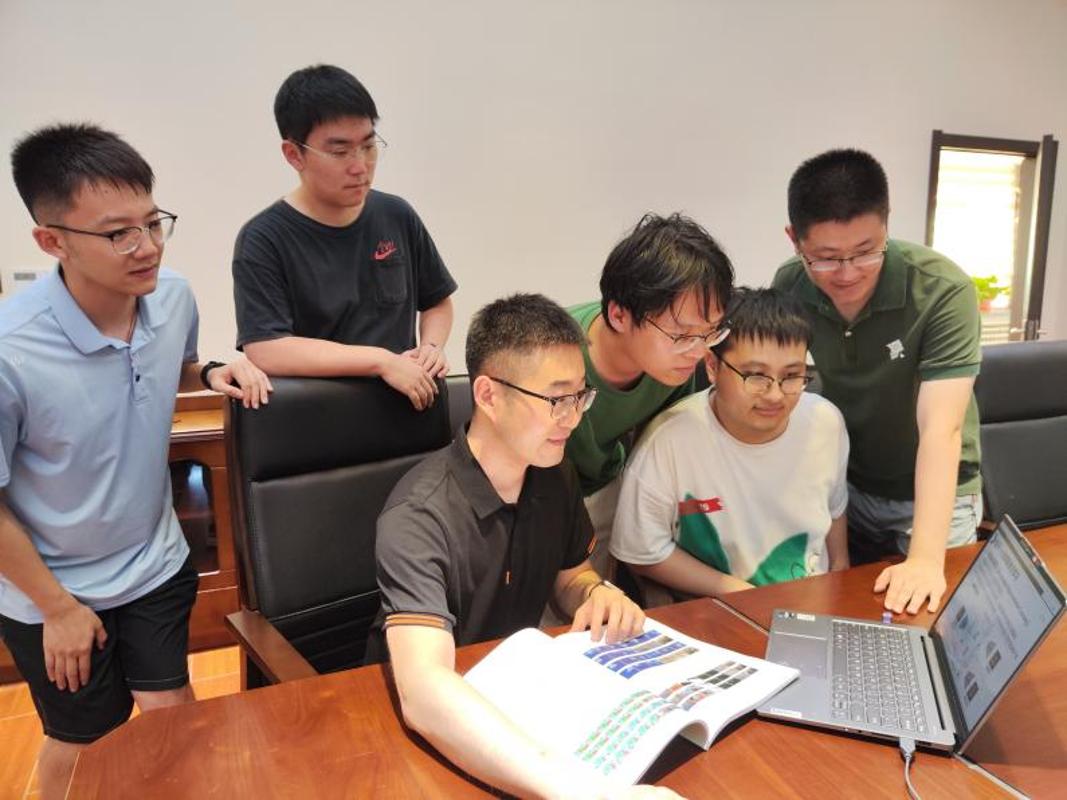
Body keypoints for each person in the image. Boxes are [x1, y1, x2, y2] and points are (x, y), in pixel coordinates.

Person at [1, 123, 271, 799]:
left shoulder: (171, 296)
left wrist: (211, 371)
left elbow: (172, 365)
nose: (146, 246)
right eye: (118, 233)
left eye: (153, 223)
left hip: (153, 561)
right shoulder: (11, 352)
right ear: (52, 241)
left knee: (172, 714)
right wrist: (58, 609)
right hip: (54, 590)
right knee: (83, 742)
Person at [369, 293, 677, 799]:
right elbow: (424, 690)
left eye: (580, 397)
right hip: (425, 730)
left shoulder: (553, 474)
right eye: (557, 400)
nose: (573, 419)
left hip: (521, 695)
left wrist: (595, 592)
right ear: (488, 395)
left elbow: (570, 575)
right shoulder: (419, 515)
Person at [772, 148, 982, 616]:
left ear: (887, 224)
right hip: (850, 488)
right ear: (794, 240)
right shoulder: (790, 286)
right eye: (826, 258)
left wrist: (925, 559)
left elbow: (942, 430)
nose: (848, 274)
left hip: (932, 498)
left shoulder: (941, 290)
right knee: (843, 614)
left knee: (930, 619)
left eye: (867, 252)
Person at [232, 63, 458, 411]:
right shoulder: (263, 239)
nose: (360, 166)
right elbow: (267, 348)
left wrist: (430, 348)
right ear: (294, 154)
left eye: (368, 146)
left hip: (408, 409)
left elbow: (437, 301)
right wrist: (381, 361)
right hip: (322, 419)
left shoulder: (396, 214)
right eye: (340, 152)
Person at [612, 288, 850, 604]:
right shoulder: (670, 440)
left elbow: (834, 511)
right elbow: (642, 553)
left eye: (792, 376)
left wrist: (840, 577)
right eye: (756, 376)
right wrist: (742, 595)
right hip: (713, 609)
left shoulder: (825, 422)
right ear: (712, 366)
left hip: (808, 604)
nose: (775, 395)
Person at [564, 214, 735, 582]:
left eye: (711, 332)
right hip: (537, 498)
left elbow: (663, 451)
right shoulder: (556, 354)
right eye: (681, 335)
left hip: (606, 483)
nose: (698, 351)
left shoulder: (678, 365)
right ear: (619, 315)